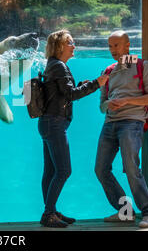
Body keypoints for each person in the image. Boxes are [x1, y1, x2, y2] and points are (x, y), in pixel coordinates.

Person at [39, 29, 108, 228]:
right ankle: (48, 214)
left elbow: (62, 93)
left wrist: (80, 85)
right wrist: (97, 83)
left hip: (47, 123)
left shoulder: (53, 65)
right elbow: (70, 95)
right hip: (55, 124)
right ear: (60, 46)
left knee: (51, 172)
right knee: (63, 171)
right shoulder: (59, 66)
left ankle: (51, 211)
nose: (74, 46)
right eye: (70, 42)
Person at [95, 30, 148, 228]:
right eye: (110, 46)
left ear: (127, 45)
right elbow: (102, 105)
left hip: (132, 122)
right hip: (109, 124)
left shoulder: (142, 65)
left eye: (116, 45)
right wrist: (110, 104)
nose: (113, 50)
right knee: (100, 169)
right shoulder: (108, 70)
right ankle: (126, 212)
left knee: (131, 168)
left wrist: (127, 101)